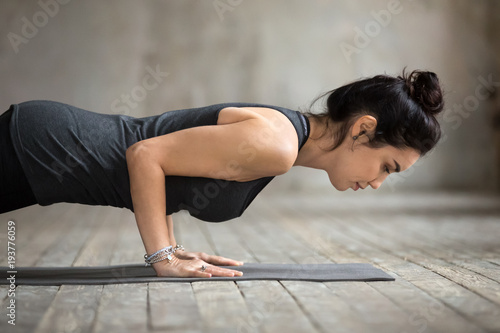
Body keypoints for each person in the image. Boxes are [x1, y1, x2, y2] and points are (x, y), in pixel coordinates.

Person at [0, 69, 443, 278]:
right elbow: (145, 155)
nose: (378, 183)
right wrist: (162, 259)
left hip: (46, 154)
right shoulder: (277, 145)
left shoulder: (283, 138)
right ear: (364, 129)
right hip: (45, 147)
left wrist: (171, 245)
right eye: (388, 166)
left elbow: (165, 163)